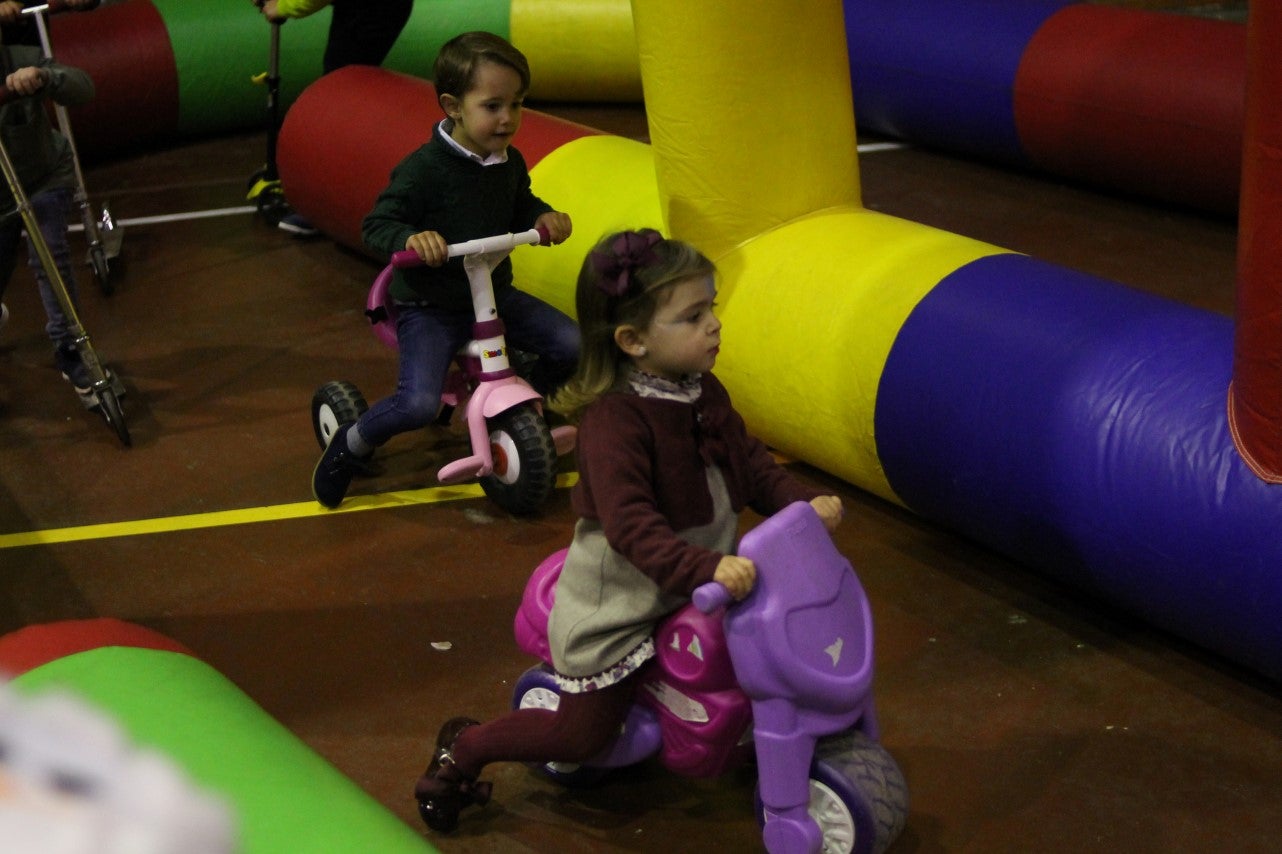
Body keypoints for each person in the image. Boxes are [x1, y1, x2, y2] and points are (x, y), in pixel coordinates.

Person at [411, 229, 846, 833]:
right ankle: (468, 747)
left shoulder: (702, 389)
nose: (714, 325)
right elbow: (632, 529)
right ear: (633, 341)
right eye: (693, 316)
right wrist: (706, 567)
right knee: (581, 735)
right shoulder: (615, 423)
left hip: (694, 588)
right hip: (621, 605)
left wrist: (805, 502)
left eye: (711, 308)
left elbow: (750, 464)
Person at [311, 31, 577, 508]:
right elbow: (378, 224)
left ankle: (525, 402)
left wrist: (541, 216)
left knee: (572, 344)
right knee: (417, 403)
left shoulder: (507, 161)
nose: (507, 119)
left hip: (492, 296)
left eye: (517, 104)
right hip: (430, 305)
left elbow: (522, 204)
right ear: (453, 106)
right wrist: (411, 238)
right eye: (492, 105)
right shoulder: (424, 168)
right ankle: (348, 445)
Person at [251, 0, 414, 236]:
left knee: (341, 89)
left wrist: (284, 7)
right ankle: (333, 195)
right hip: (366, 8)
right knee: (341, 82)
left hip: (376, 8)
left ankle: (330, 205)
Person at [0, 23, 95, 391]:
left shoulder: (21, 58)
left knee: (50, 254)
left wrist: (44, 77)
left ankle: (70, 347)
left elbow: (83, 87)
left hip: (43, 178)